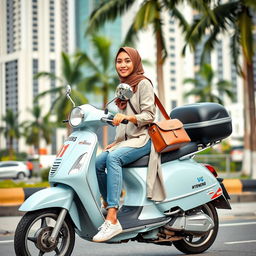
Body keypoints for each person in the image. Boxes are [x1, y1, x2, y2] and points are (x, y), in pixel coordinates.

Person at [93, 47, 157, 242]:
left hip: (144, 139)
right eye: (119, 61)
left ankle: (112, 217)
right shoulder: (123, 86)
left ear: (135, 62)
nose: (122, 65)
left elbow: (149, 115)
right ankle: (107, 205)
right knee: (98, 162)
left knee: (113, 158)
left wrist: (127, 117)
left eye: (127, 61)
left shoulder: (143, 83)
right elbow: (122, 123)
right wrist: (116, 141)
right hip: (128, 141)